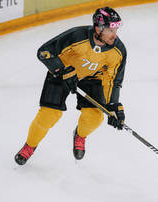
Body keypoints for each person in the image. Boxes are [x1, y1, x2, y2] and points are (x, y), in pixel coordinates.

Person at [15, 6, 127, 165]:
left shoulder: (118, 51)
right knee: (48, 116)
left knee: (95, 117)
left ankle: (80, 135)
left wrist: (113, 104)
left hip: (91, 78)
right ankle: (30, 145)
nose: (114, 35)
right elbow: (44, 52)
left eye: (115, 30)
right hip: (62, 73)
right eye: (110, 30)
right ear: (98, 28)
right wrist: (63, 70)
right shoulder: (76, 36)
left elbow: (113, 80)